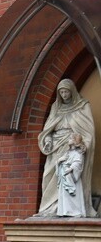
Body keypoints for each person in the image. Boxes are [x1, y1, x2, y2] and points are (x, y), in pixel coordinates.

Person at [37, 78, 95, 217]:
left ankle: (66, 208)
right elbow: (48, 129)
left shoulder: (82, 106)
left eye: (66, 91)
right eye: (61, 92)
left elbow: (88, 130)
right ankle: (49, 207)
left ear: (72, 91)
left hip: (72, 146)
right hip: (56, 146)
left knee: (68, 176)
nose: (64, 94)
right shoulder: (55, 108)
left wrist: (82, 145)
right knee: (50, 175)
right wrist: (49, 140)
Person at [58, 133, 88, 217]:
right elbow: (62, 160)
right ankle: (65, 211)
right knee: (65, 195)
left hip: (70, 175)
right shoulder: (68, 152)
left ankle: (74, 211)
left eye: (70, 138)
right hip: (64, 175)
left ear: (75, 141)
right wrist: (59, 161)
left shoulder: (78, 152)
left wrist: (71, 169)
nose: (68, 140)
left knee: (72, 195)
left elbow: (78, 162)